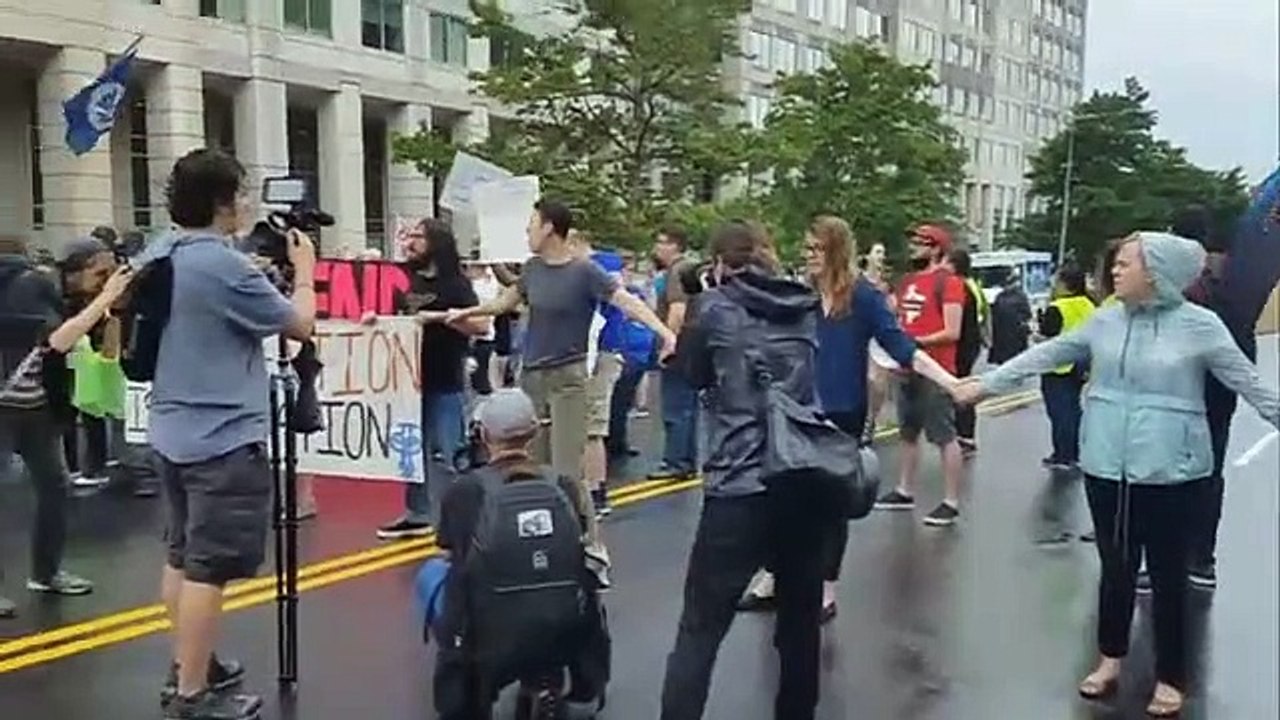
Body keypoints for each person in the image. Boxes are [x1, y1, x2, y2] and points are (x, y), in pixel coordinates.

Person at [955, 231, 1280, 717]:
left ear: (1157, 273)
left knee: (1169, 578)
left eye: (1125, 263)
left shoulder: (1201, 327)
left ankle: (1171, 677)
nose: (1115, 271)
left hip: (1173, 472)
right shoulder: (1106, 320)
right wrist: (985, 385)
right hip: (1107, 466)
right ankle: (1110, 659)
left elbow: (1251, 385)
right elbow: (1048, 354)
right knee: (1116, 568)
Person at [147, 148, 317, 720]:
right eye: (243, 194)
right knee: (209, 570)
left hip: (171, 430)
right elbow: (299, 325)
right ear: (223, 203)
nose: (248, 204)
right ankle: (192, 697)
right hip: (222, 437)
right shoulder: (225, 267)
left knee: (180, 557)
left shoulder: (163, 250)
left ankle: (192, 663)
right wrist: (307, 273)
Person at [738, 217, 960, 617]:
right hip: (797, 408)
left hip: (843, 411)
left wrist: (949, 381)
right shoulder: (799, 295)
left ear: (836, 251)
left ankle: (826, 588)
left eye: (815, 249)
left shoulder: (863, 298)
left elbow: (900, 346)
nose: (807, 257)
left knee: (830, 505)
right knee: (780, 496)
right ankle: (773, 575)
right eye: (805, 249)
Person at [659, 221, 827, 720]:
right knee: (799, 629)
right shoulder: (804, 305)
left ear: (718, 264)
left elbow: (691, 373)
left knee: (700, 629)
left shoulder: (714, 308)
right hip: (802, 480)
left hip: (739, 483)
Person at [444, 200, 676, 553]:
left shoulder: (585, 271)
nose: (526, 232)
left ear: (549, 227)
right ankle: (538, 541)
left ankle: (590, 548)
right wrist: (463, 312)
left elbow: (628, 302)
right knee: (529, 467)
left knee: (567, 473)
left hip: (568, 379)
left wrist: (666, 334)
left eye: (531, 224)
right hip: (532, 377)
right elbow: (503, 303)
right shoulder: (534, 270)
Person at [418, 389, 605, 720]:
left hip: (488, 629)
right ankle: (545, 677)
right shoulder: (562, 484)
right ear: (534, 432)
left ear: (484, 435)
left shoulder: (466, 490)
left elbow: (450, 549)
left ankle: (469, 689)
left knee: (431, 574)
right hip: (561, 624)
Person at [0, 235, 132, 616]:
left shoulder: (74, 301)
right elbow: (56, 341)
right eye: (99, 273)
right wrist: (106, 299)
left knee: (55, 488)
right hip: (7, 405)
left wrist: (111, 311)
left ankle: (46, 572)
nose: (105, 280)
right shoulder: (34, 286)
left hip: (37, 406)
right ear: (73, 271)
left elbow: (108, 355)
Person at [372, 220, 489, 540]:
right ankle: (417, 513)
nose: (410, 243)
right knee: (410, 451)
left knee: (448, 453)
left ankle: (463, 517)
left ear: (436, 243)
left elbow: (480, 326)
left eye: (418, 237)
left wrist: (441, 318)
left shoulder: (456, 285)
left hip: (444, 378)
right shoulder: (402, 280)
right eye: (408, 236)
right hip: (408, 380)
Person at [1175, 205, 1252, 590]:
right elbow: (1245, 348)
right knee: (1209, 477)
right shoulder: (1232, 284)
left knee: (1163, 476)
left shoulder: (1170, 284)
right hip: (1218, 397)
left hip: (1173, 396)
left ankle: (1161, 558)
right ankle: (1201, 558)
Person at [874, 224, 967, 526]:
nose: (913, 247)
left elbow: (953, 331)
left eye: (921, 242)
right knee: (908, 433)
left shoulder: (950, 283)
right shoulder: (907, 282)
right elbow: (897, 316)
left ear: (936, 248)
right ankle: (904, 490)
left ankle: (951, 501)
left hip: (935, 370)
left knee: (944, 435)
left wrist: (916, 343)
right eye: (912, 241)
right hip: (906, 368)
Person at [649, 226, 699, 481]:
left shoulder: (676, 272)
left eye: (661, 242)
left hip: (679, 346)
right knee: (688, 407)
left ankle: (675, 461)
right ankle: (686, 460)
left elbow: (677, 309)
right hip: (693, 345)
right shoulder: (691, 268)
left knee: (675, 406)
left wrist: (669, 343)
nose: (656, 248)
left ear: (675, 246)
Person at [1037, 263, 1096, 471]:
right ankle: (1076, 452)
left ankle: (1063, 455)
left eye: (1056, 279)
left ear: (1064, 284)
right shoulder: (1088, 304)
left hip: (1058, 366)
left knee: (1059, 411)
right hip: (1081, 363)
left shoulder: (1058, 307)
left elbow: (1046, 337)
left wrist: (1035, 334)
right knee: (1073, 409)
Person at [946, 247, 988, 455]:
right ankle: (965, 434)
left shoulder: (959, 287)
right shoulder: (973, 285)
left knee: (959, 388)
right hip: (971, 342)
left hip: (962, 345)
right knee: (962, 385)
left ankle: (964, 436)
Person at [988, 273, 1032, 364]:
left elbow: (1027, 314)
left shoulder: (1020, 296)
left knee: (1015, 362)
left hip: (1015, 335)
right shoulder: (1000, 297)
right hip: (1002, 335)